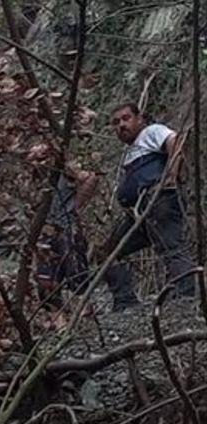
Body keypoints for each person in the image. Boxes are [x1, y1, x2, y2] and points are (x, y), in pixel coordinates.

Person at [102, 103, 195, 310]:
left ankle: (186, 299)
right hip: (138, 213)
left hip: (158, 201)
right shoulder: (130, 151)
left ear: (140, 119)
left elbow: (176, 141)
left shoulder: (151, 132)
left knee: (171, 247)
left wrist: (171, 175)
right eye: (116, 123)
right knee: (110, 251)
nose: (121, 125)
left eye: (126, 119)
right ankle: (125, 301)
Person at [26, 144, 98, 305]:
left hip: (67, 228)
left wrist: (77, 205)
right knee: (46, 278)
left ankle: (83, 311)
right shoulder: (33, 181)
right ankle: (56, 316)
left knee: (76, 272)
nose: (38, 163)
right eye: (35, 159)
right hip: (45, 232)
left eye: (41, 158)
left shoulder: (62, 170)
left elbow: (90, 178)